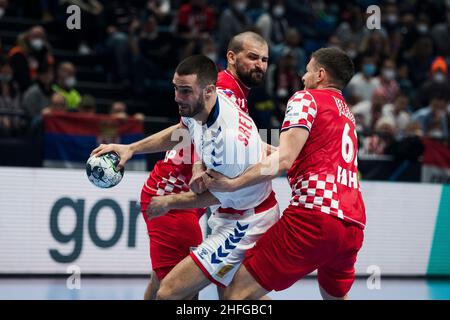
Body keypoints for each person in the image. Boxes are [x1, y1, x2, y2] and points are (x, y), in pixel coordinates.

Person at [92, 55, 279, 300]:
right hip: (236, 211)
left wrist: (168, 202)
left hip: (245, 220)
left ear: (209, 89)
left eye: (185, 91)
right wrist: (131, 148)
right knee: (228, 293)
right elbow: (185, 131)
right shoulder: (212, 102)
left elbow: (211, 196)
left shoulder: (227, 143)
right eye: (176, 88)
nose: (177, 97)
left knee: (172, 293)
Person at [204, 47, 366, 300]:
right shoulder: (347, 115)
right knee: (335, 297)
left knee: (235, 294)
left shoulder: (307, 98)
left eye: (308, 70)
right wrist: (259, 147)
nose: (303, 77)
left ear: (320, 74)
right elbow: (308, 154)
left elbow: (284, 160)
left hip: (314, 217)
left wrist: (234, 183)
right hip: (353, 226)